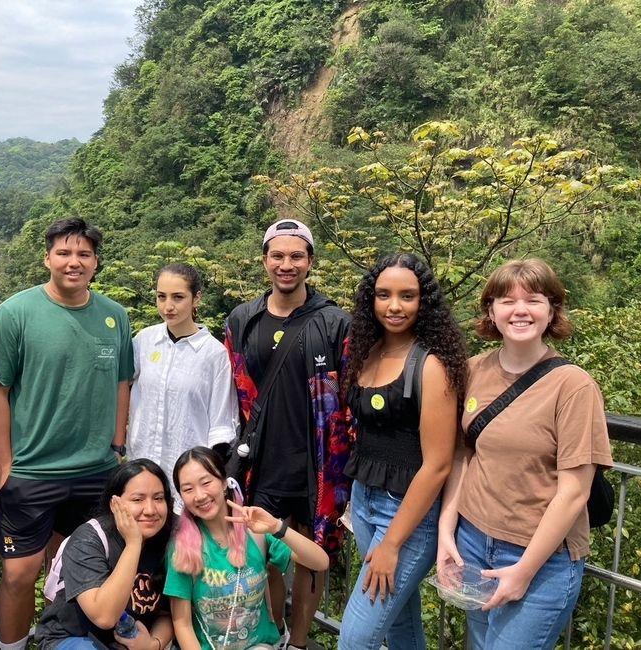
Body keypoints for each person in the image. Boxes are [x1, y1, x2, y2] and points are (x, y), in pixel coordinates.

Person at [436, 258, 613, 649]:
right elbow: (464, 455)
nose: (519, 310)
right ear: (491, 311)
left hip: (540, 558)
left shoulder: (573, 386)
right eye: (506, 300)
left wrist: (525, 570)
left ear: (551, 310)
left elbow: (574, 492)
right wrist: (446, 532)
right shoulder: (471, 371)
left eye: (533, 300)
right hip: (472, 542)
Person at [0, 218, 134, 650]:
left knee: (82, 571)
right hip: (32, 471)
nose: (74, 262)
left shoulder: (114, 316)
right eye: (64, 253)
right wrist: (5, 463)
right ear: (47, 258)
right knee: (19, 573)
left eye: (84, 254)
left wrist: (118, 446)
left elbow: (124, 381)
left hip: (97, 471)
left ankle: (62, 642)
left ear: (96, 262)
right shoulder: (15, 313)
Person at [224, 218, 350, 650]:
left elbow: (347, 395)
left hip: (317, 462)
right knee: (267, 555)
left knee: (313, 557)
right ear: (264, 261)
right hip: (262, 461)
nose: (286, 264)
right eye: (277, 255)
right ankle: (272, 634)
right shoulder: (242, 319)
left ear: (311, 262)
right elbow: (235, 391)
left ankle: (297, 642)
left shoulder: (335, 323)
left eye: (297, 255)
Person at [338, 253, 468, 649]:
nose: (394, 306)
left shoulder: (431, 365)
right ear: (370, 300)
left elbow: (438, 464)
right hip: (364, 501)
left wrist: (392, 543)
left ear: (423, 302)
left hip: (407, 512)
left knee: (355, 638)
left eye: (407, 296)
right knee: (401, 628)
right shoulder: (369, 351)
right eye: (383, 295)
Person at [165, 447, 329, 650]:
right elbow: (182, 624)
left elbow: (320, 562)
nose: (199, 495)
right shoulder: (183, 548)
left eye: (206, 482)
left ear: (224, 482)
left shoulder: (255, 533)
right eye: (188, 489)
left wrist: (277, 527)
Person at [35, 459, 175, 650]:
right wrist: (133, 544)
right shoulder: (89, 540)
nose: (150, 510)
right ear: (114, 503)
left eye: (158, 498)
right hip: (75, 638)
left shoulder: (171, 537)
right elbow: (105, 616)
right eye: (137, 499)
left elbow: (169, 613)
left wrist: (153, 644)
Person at [128, 262, 238, 507]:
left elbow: (221, 425)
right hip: (141, 470)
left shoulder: (214, 354)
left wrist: (209, 481)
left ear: (196, 298)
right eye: (161, 297)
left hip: (189, 483)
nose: (168, 306)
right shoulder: (143, 342)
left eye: (178, 297)